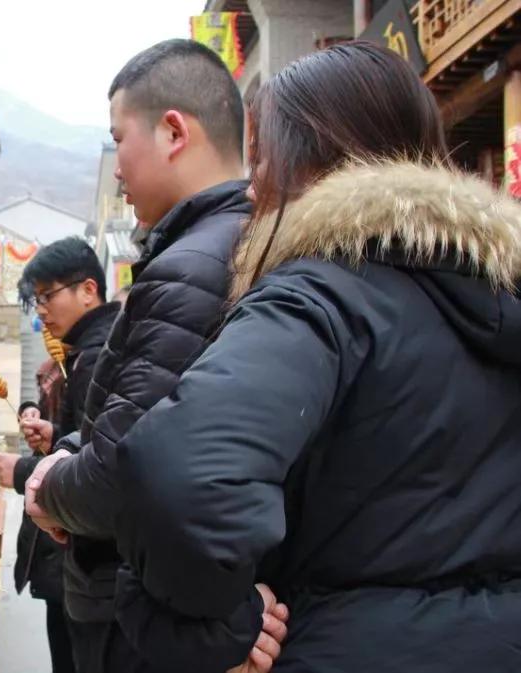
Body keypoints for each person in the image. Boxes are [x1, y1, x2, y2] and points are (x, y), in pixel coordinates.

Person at [108, 42, 521, 671]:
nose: (252, 186)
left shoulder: (320, 295)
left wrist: (225, 622)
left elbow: (178, 473)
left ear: (311, 159)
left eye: (265, 155)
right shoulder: (501, 295)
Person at [24, 40, 286, 672]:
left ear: (173, 132)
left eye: (119, 139)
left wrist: (45, 486)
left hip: (161, 617)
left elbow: (125, 476)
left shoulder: (191, 268)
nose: (117, 166)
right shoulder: (249, 241)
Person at [0, 237, 121, 673]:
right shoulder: (83, 351)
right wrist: (55, 438)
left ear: (88, 289)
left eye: (48, 295)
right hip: (75, 566)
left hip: (89, 568)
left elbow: (103, 467)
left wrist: (22, 469)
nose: (42, 309)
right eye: (37, 298)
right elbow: (86, 438)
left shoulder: (102, 355)